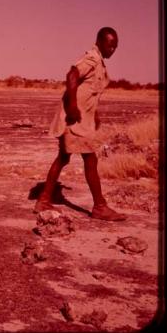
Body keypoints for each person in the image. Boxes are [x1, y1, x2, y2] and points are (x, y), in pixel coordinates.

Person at [34, 27, 126, 221]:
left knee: (63, 158)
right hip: (75, 120)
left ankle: (43, 199)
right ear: (100, 41)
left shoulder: (99, 63)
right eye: (110, 45)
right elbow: (72, 75)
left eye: (115, 46)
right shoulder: (91, 59)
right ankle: (100, 206)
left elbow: (89, 94)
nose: (113, 49)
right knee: (90, 160)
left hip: (81, 119)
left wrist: (95, 115)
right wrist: (74, 107)